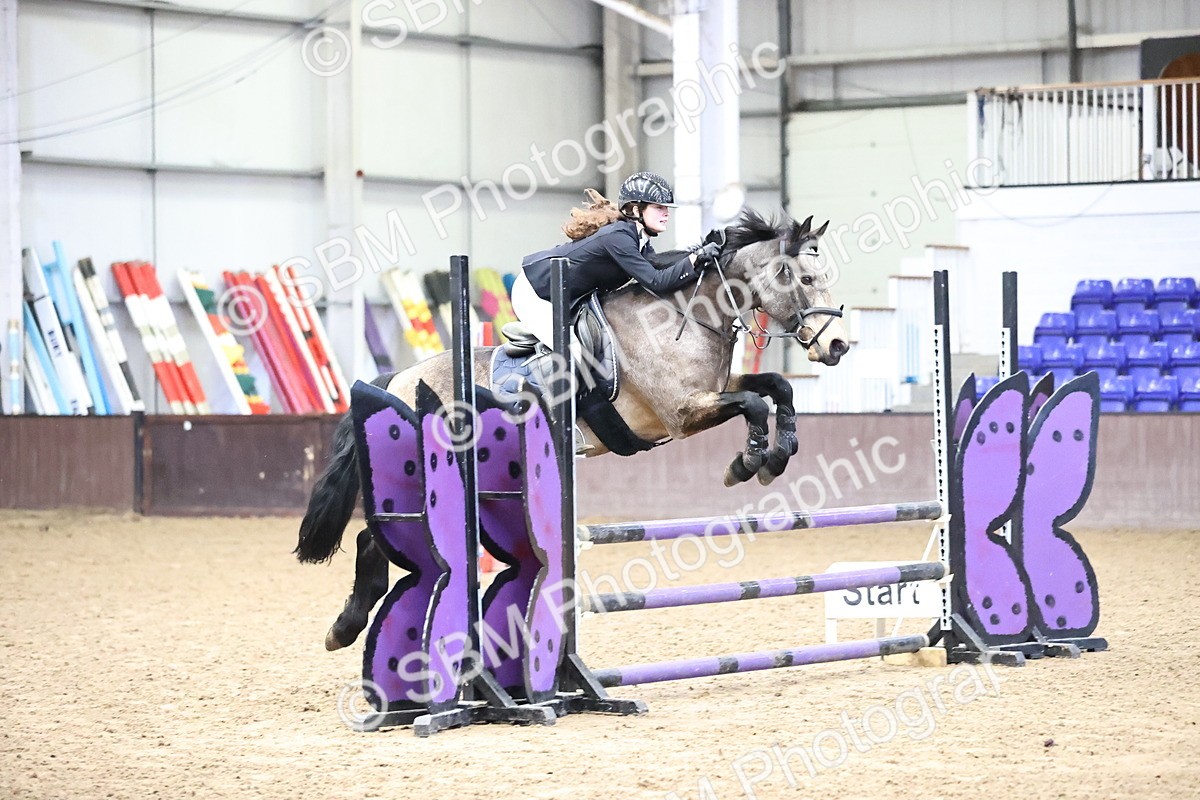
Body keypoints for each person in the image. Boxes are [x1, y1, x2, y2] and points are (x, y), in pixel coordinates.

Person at [510, 172, 721, 348]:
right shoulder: (619, 238)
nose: (666, 213)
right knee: (574, 354)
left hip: (562, 296)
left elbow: (660, 267)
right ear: (636, 209)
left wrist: (698, 258)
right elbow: (656, 281)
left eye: (666, 208)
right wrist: (694, 258)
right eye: (659, 207)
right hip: (535, 292)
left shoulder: (640, 241)